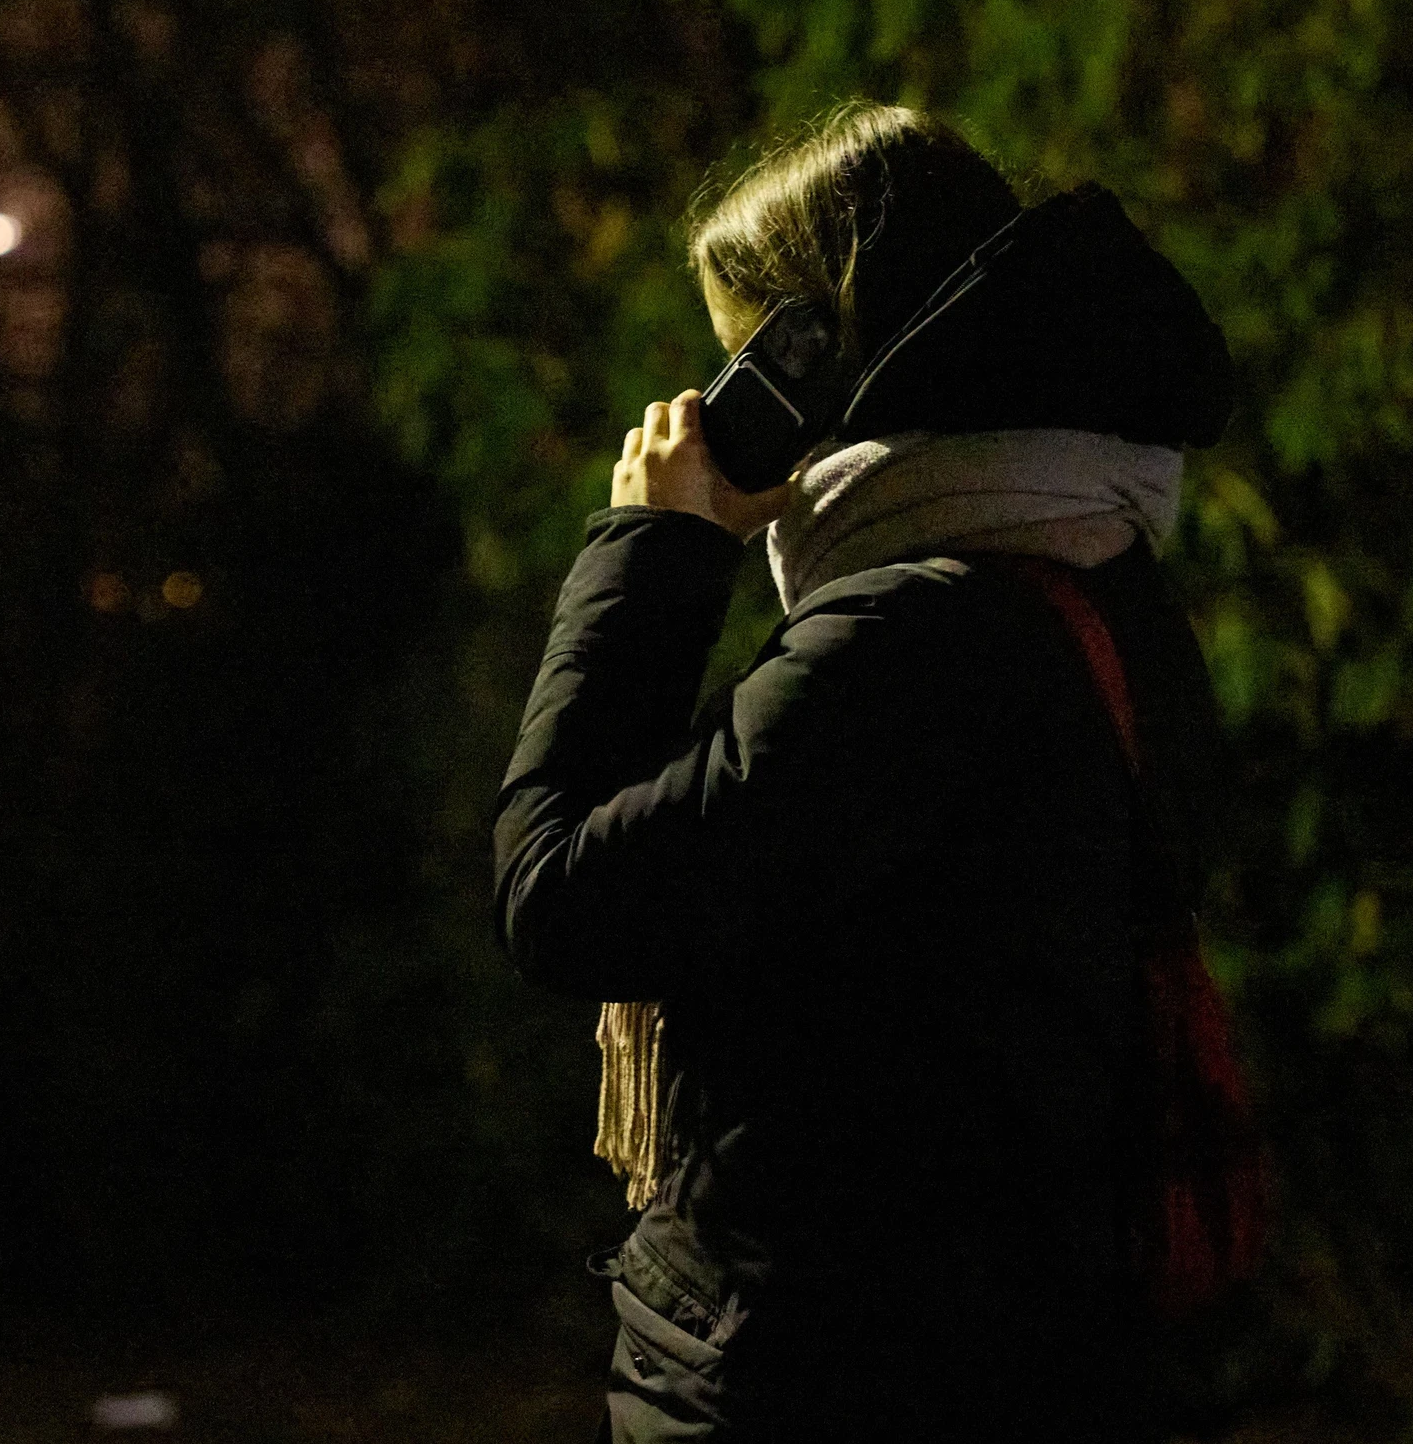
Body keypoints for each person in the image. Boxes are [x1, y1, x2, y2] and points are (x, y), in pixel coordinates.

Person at [493, 102, 1239, 1442]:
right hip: (1015, 1345)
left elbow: (563, 892)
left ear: (813, 357)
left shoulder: (906, 642)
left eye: (741, 360)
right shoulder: (1103, 579)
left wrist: (653, 548)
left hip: (833, 1366)